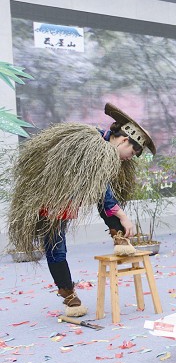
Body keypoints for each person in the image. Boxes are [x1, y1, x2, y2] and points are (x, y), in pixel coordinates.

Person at [7, 103, 155, 317]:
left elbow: (101, 190)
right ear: (123, 140)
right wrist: (123, 215)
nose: (128, 158)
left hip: (71, 197)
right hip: (51, 199)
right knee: (57, 249)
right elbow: (101, 189)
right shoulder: (90, 143)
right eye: (131, 152)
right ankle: (68, 295)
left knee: (105, 201)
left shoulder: (108, 151)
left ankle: (119, 237)